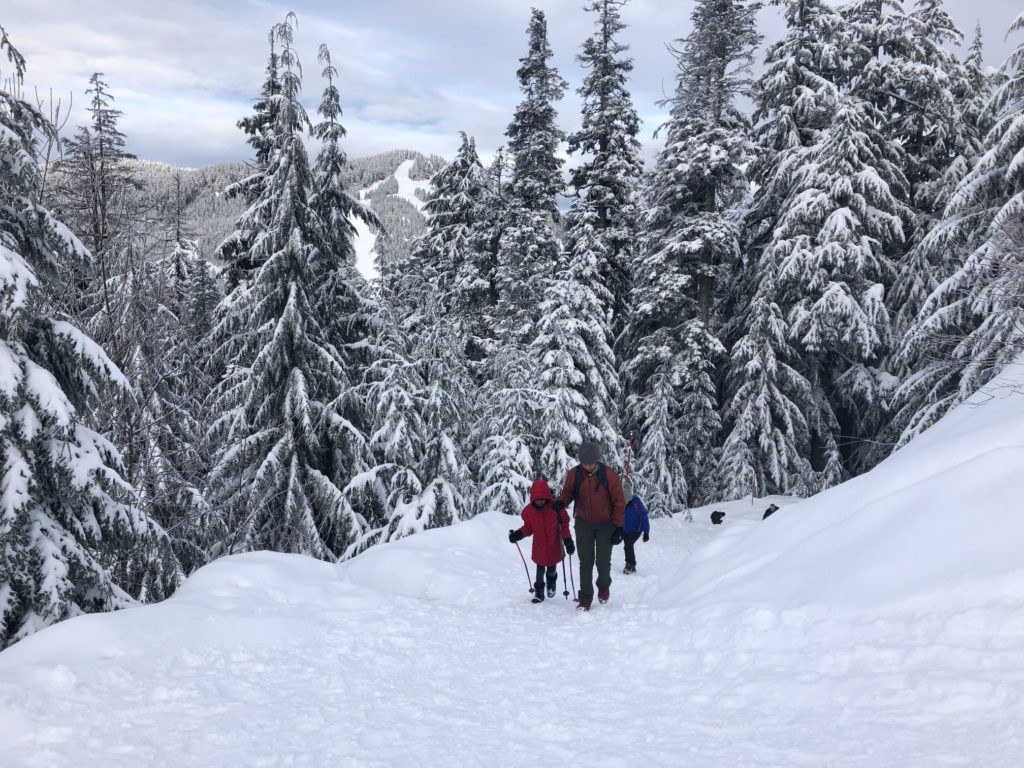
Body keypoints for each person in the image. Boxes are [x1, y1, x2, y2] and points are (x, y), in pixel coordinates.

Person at [554, 441, 626, 611]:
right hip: (583, 523)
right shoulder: (575, 474)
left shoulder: (609, 475)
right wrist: (561, 503)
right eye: (584, 463)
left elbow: (619, 502)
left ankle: (603, 586)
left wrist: (619, 527)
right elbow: (568, 494)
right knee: (585, 562)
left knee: (602, 562)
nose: (587, 466)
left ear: (597, 460)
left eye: (590, 463)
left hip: (606, 524)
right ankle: (585, 599)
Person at [509, 479, 575, 603]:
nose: (539, 502)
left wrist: (568, 541)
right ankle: (539, 592)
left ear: (547, 497)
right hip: (539, 547)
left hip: (554, 547)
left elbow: (564, 526)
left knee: (551, 570)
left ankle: (551, 581)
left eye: (542, 499)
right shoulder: (529, 512)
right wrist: (518, 534)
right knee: (539, 571)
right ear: (533, 498)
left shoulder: (556, 508)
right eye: (537, 499)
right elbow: (528, 528)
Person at [621, 481, 650, 574]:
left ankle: (632, 565)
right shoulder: (621, 503)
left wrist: (646, 533)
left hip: (636, 530)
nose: (624, 502)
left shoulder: (636, 503)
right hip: (625, 529)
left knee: (629, 544)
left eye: (626, 500)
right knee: (626, 546)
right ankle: (628, 563)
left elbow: (644, 517)